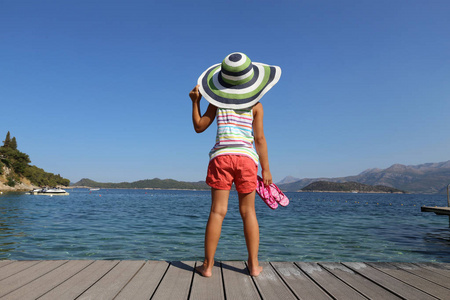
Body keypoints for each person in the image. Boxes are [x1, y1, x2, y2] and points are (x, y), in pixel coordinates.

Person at [190, 52, 281, 277]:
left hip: (221, 157)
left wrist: (195, 102)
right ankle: (253, 266)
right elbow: (259, 139)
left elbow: (200, 126)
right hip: (247, 159)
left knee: (217, 212)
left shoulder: (216, 102)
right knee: (248, 212)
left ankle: (208, 266)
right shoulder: (256, 106)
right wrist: (267, 169)